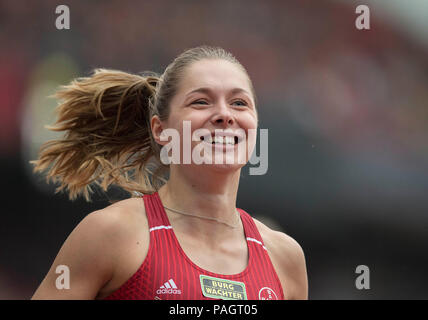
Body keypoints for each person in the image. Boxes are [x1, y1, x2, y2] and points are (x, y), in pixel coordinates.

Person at [30, 46, 307, 300]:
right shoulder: (112, 234)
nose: (225, 114)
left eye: (239, 103)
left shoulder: (284, 258)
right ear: (160, 130)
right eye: (201, 102)